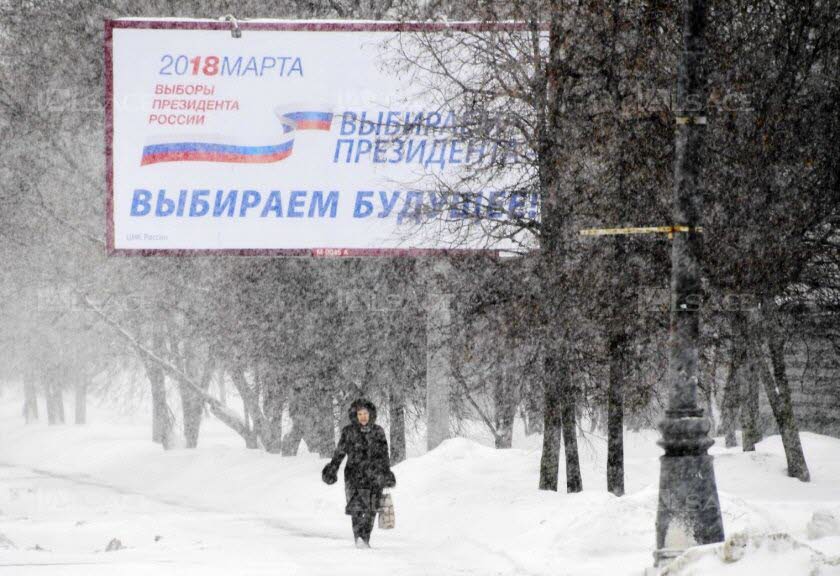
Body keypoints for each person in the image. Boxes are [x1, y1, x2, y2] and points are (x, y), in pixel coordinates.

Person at [321, 398, 396, 548]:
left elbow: (384, 455)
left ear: (371, 414)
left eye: (365, 413)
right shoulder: (349, 432)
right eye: (360, 413)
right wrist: (333, 468)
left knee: (371, 509)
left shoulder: (378, 432)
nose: (363, 417)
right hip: (354, 476)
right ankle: (358, 538)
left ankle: (365, 538)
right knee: (357, 507)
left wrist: (386, 472)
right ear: (355, 415)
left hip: (375, 476)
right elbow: (339, 453)